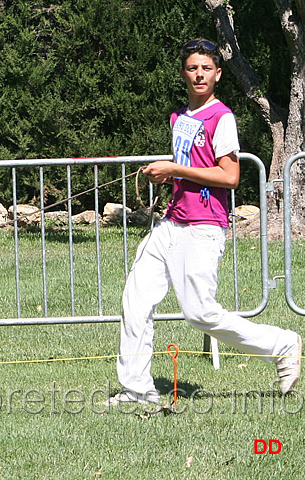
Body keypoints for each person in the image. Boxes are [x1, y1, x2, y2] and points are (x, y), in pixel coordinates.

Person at [106, 38, 302, 406]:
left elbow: (229, 177)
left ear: (218, 74)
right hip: (171, 224)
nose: (199, 74)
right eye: (193, 68)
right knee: (135, 300)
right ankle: (137, 389)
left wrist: (175, 167)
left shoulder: (221, 118)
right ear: (183, 73)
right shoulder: (178, 117)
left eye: (206, 68)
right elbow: (193, 171)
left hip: (203, 227)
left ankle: (282, 344)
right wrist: (167, 176)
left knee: (199, 313)